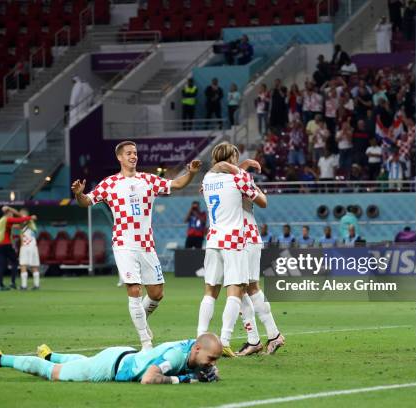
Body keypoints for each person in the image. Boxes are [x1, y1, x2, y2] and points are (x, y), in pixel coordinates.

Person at [71, 141, 202, 350]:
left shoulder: (147, 180)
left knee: (157, 294)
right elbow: (87, 201)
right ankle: (145, 342)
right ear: (120, 158)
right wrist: (79, 193)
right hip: (123, 242)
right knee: (134, 289)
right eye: (129, 153)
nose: (134, 156)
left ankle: (141, 320)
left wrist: (192, 173)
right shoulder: (109, 183)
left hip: (146, 244)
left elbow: (175, 185)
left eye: (135, 153)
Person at [197, 142, 267, 357]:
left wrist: (238, 166)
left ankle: (200, 338)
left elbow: (216, 171)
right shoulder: (238, 178)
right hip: (234, 239)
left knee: (210, 291)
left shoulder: (207, 179)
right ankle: (225, 341)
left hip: (213, 239)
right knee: (235, 290)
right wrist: (241, 170)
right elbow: (263, 202)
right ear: (233, 158)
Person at [212, 158, 284, 356]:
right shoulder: (225, 181)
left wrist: (244, 173)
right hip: (241, 237)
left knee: (244, 287)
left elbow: (263, 201)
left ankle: (269, 335)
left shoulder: (238, 180)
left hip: (244, 237)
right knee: (247, 288)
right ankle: (261, 338)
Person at [0, 333, 222, 384]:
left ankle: (49, 353)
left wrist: (201, 371)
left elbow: (189, 365)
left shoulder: (191, 348)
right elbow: (149, 378)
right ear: (197, 349)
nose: (212, 363)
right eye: (211, 358)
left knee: (83, 362)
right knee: (52, 373)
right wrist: (189, 380)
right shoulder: (178, 354)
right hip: (110, 367)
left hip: (121, 355)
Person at [0, 206, 35, 291]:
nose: (13, 216)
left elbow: (16, 225)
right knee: (15, 262)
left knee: (2, 265)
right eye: (11, 214)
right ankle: (13, 283)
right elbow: (19, 220)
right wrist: (30, 217)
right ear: (8, 213)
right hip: (5, 244)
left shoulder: (0, 221)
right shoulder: (7, 219)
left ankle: (1, 285)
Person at [18, 208, 41, 290]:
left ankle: (24, 286)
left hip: (26, 246)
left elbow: (31, 219)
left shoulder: (27, 221)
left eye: (20, 213)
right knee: (34, 265)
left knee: (23, 265)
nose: (19, 215)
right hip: (33, 246)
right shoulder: (29, 222)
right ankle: (36, 284)